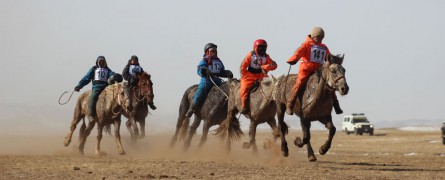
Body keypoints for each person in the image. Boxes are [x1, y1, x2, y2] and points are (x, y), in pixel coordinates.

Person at [286, 26, 343, 115]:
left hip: (319, 71)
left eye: (322, 37)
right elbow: (299, 52)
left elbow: (329, 57)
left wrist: (336, 61)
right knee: (299, 83)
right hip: (306, 69)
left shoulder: (324, 47)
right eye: (319, 37)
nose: (320, 39)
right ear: (313, 36)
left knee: (330, 85)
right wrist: (293, 59)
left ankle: (336, 105)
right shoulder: (306, 45)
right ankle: (290, 104)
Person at [185, 43, 233, 117]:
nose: (214, 52)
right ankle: (192, 108)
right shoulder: (205, 60)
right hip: (207, 81)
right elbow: (199, 70)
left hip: (218, 82)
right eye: (212, 50)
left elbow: (221, 72)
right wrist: (204, 71)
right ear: (207, 52)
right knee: (200, 92)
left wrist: (227, 73)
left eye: (215, 51)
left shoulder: (219, 61)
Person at [239, 39, 277, 114]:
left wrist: (267, 67)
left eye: (264, 47)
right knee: (244, 89)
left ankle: (272, 105)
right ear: (255, 47)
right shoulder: (251, 55)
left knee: (272, 86)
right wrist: (244, 75)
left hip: (262, 75)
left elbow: (274, 65)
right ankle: (244, 106)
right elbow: (242, 66)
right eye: (260, 47)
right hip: (250, 75)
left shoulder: (266, 56)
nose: (262, 49)